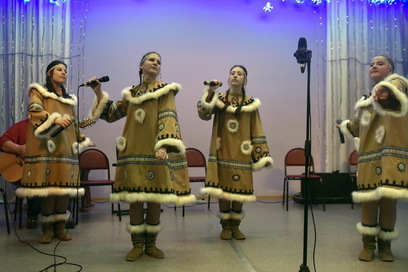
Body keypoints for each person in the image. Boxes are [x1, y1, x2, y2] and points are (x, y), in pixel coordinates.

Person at [88, 51, 195, 261]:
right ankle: (137, 244)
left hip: (156, 152)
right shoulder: (131, 93)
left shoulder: (165, 90)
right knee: (135, 199)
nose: (155, 63)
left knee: (154, 199)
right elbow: (111, 114)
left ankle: (151, 244)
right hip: (133, 151)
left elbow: (168, 117)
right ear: (141, 65)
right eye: (151, 60)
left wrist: (163, 145)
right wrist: (99, 93)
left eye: (158, 61)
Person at [339, 55, 408, 262]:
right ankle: (368, 244)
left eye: (380, 63)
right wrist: (345, 126)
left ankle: (385, 246)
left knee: (388, 202)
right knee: (369, 201)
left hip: (391, 154)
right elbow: (358, 125)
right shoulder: (367, 100)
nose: (374, 66)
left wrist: (385, 91)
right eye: (371, 64)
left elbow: (394, 92)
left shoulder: (398, 86)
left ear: (390, 69)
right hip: (369, 157)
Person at [15, 60, 91, 243]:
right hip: (47, 148)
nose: (63, 72)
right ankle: (47, 229)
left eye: (65, 70)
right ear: (49, 73)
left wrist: (83, 139)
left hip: (66, 149)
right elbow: (35, 112)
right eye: (59, 69)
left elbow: (72, 123)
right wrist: (54, 119)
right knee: (50, 189)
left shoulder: (69, 99)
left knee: (64, 189)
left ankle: (60, 228)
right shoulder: (39, 92)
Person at [197, 65, 273, 240]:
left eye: (240, 74)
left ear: (245, 80)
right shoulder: (220, 98)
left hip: (242, 153)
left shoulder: (251, 103)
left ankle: (235, 226)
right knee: (223, 190)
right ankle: (225, 226)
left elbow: (257, 128)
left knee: (239, 190)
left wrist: (262, 154)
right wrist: (210, 91)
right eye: (232, 73)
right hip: (222, 149)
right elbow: (204, 113)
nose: (235, 76)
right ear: (229, 78)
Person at [0, 119, 41, 229]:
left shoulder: (52, 128)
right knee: (35, 181)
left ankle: (63, 218)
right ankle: (32, 217)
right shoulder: (22, 126)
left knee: (64, 180)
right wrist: (18, 148)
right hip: (22, 171)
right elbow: (3, 141)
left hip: (44, 170)